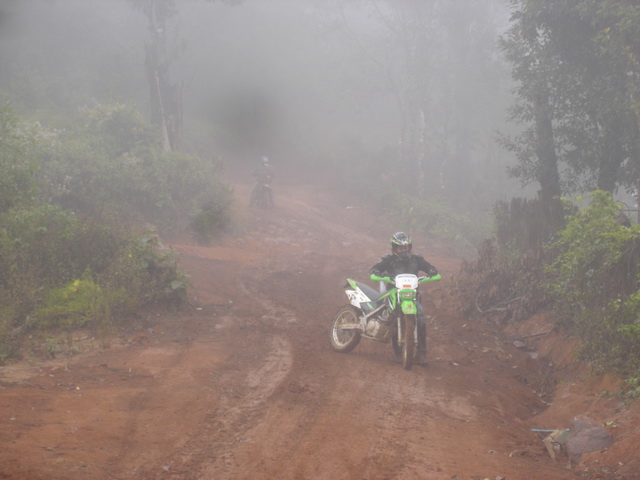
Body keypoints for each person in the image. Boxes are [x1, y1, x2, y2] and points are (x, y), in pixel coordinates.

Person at [369, 231, 438, 365]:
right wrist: (377, 272)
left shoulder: (417, 259)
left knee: (420, 318)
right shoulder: (389, 260)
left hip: (411, 296)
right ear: (394, 248)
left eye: (405, 247)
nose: (403, 251)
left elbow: (430, 268)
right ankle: (397, 352)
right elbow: (375, 268)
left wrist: (432, 271)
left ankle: (422, 353)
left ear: (409, 247)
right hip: (393, 293)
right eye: (400, 248)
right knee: (392, 318)